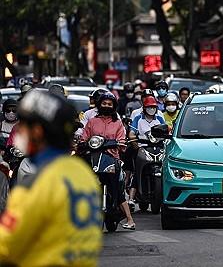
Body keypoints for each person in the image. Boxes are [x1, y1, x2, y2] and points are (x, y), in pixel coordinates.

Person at [0, 90, 102, 266]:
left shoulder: (37, 183)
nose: (20, 132)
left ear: (37, 132)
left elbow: (6, 245)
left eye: (24, 126)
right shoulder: (83, 173)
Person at [81, 93, 135, 230]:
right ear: (99, 105)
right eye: (104, 103)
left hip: (111, 159)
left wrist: (119, 144)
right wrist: (82, 144)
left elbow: (122, 140)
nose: (106, 106)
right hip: (93, 158)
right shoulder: (92, 121)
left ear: (113, 106)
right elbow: (84, 137)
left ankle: (130, 219)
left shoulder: (117, 123)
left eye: (109, 104)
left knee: (117, 188)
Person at [128, 96, 166, 205]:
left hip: (158, 147)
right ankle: (131, 198)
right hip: (143, 147)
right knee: (138, 171)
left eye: (153, 107)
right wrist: (134, 141)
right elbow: (132, 133)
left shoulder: (159, 118)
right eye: (149, 107)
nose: (151, 109)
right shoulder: (138, 119)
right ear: (144, 108)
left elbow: (165, 131)